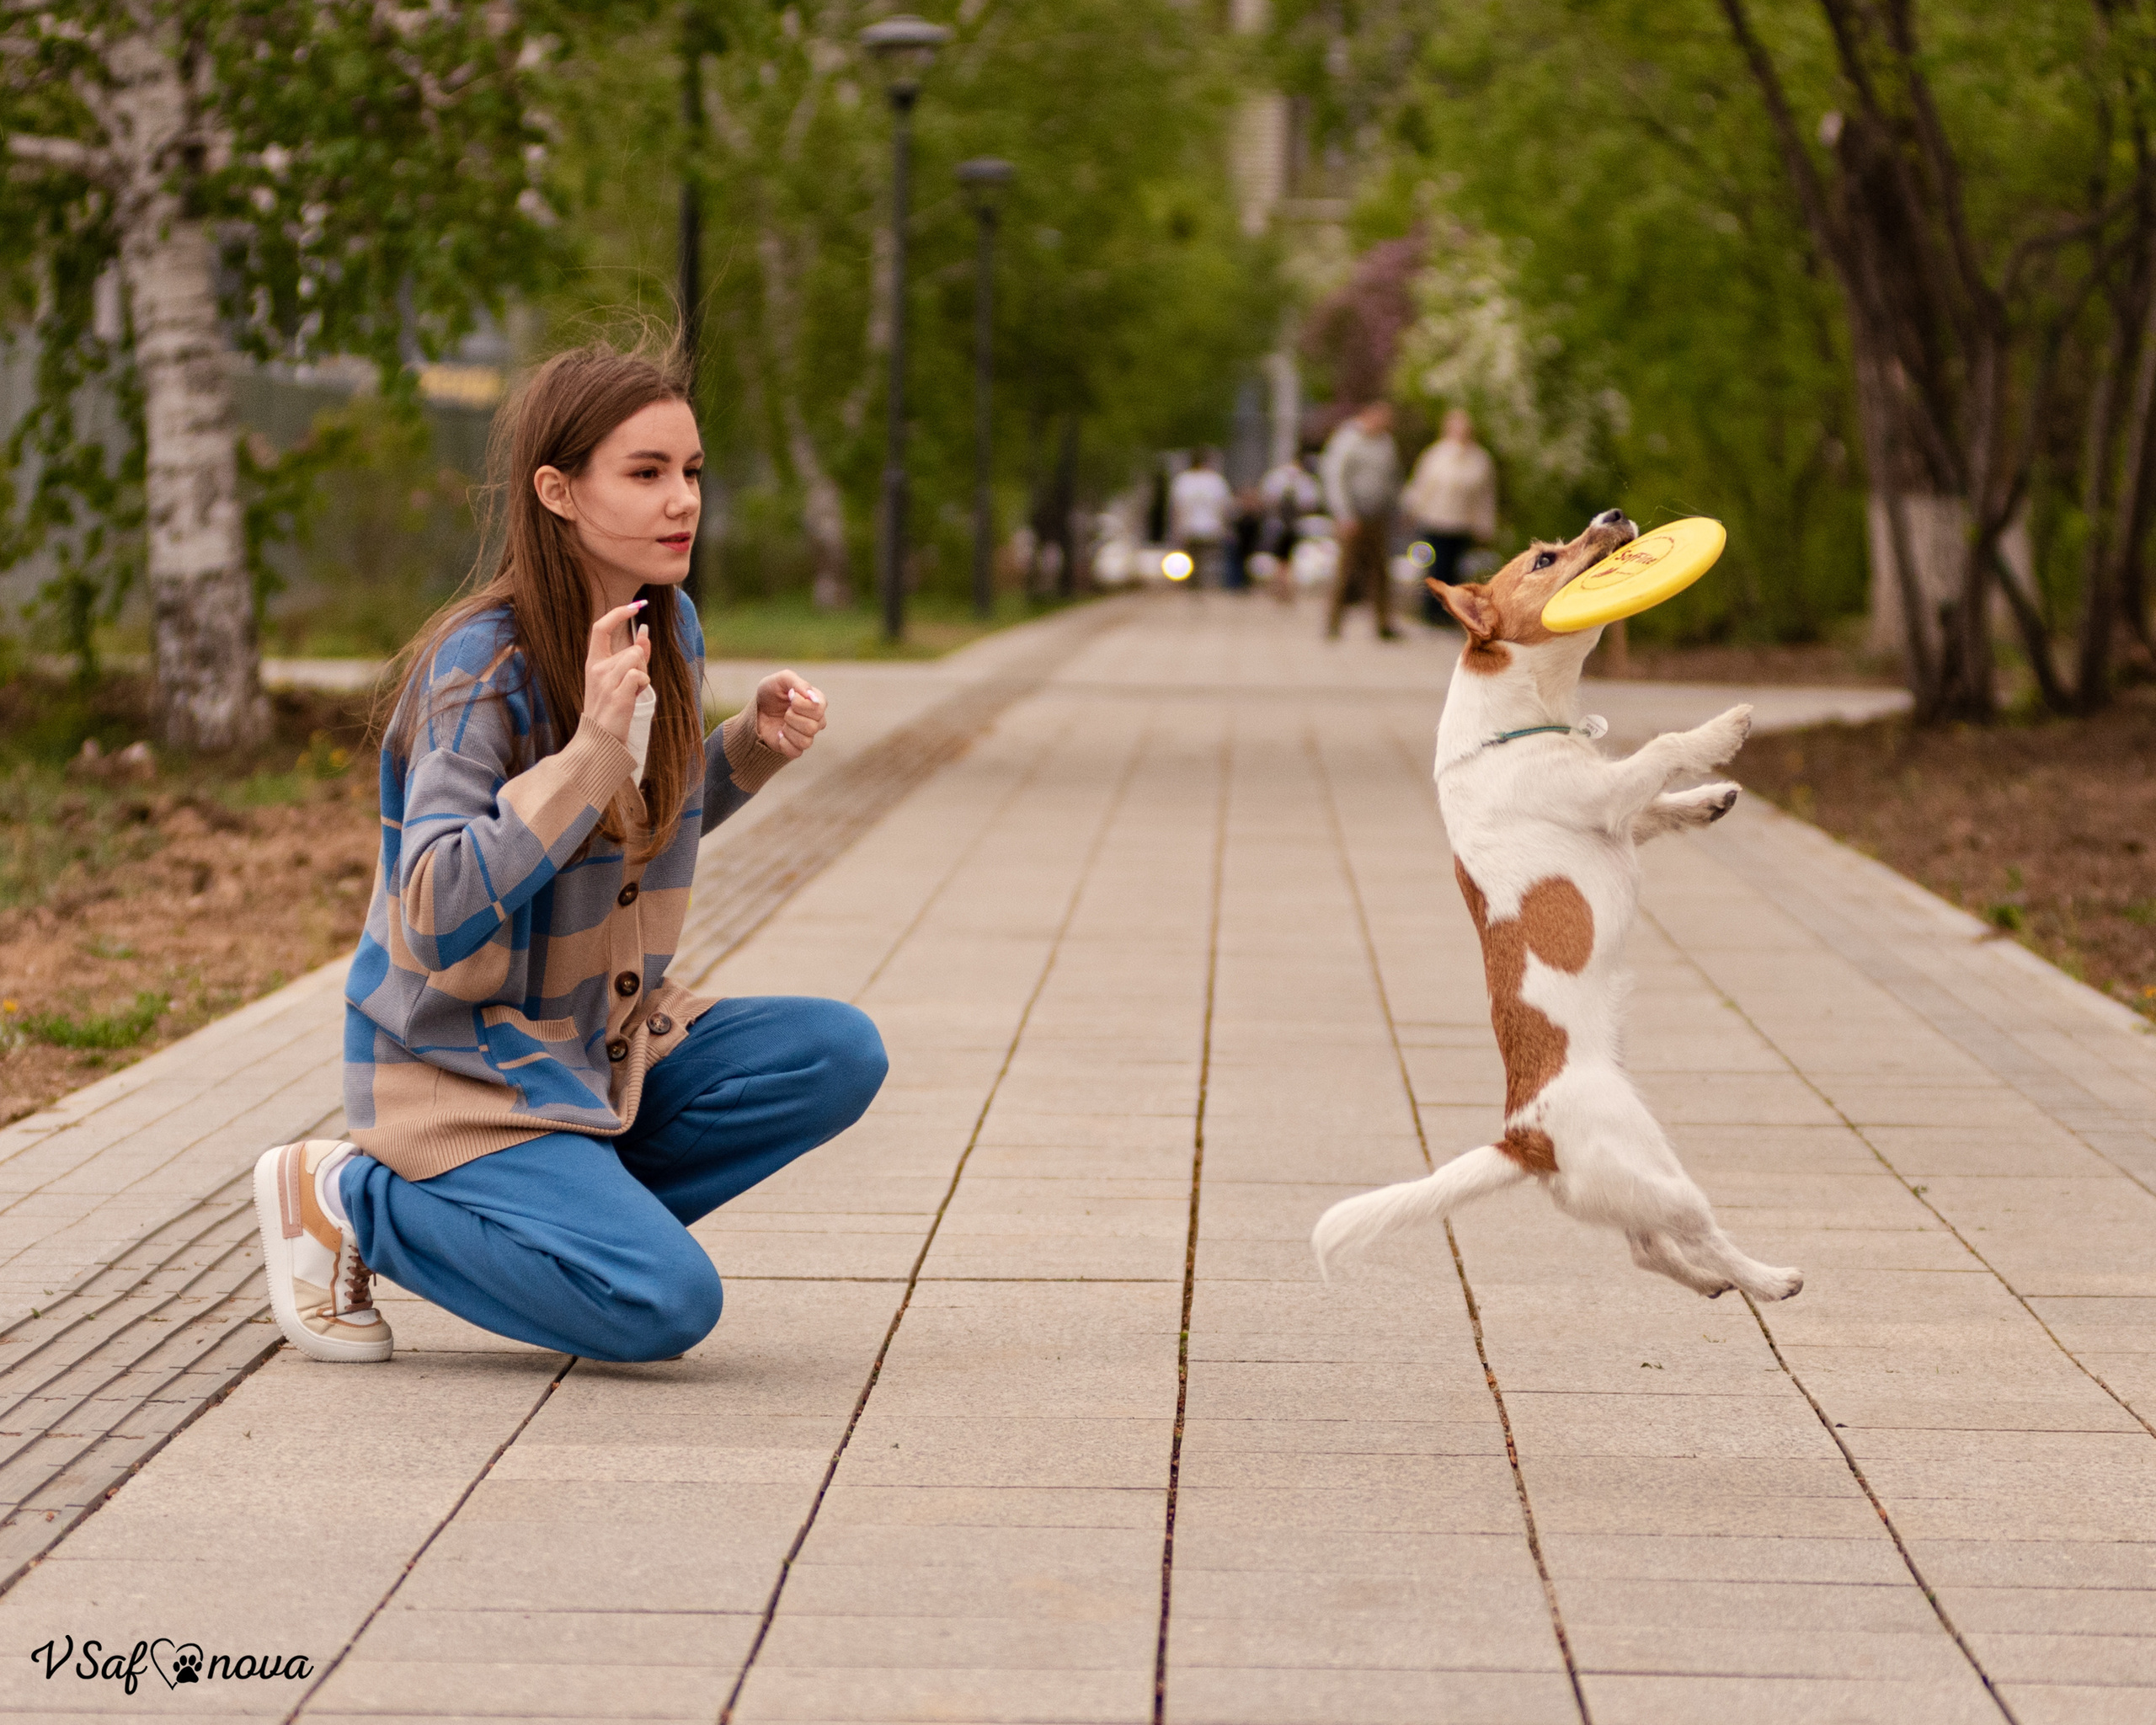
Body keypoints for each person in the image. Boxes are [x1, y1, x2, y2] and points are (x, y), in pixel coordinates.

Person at [252, 341, 888, 1366]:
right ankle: (352, 1196)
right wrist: (591, 747)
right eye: (644, 473)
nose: (681, 500)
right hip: (466, 1069)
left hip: (592, 1045)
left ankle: (567, 1211)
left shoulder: (663, 622)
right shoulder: (481, 666)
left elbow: (627, 828)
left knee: (836, 1050)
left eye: (690, 471)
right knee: (661, 1303)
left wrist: (746, 751)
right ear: (556, 489)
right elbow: (436, 905)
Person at [1402, 408, 1498, 626]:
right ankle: (1430, 610)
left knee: (1455, 568)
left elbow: (1485, 496)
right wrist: (1412, 509)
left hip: (1463, 521)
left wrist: (1485, 525)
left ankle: (1449, 612)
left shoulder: (1480, 460)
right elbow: (1421, 485)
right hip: (1435, 519)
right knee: (1435, 567)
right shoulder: (1435, 455)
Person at [1320, 401, 1403, 639]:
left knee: (1380, 572)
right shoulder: (1347, 440)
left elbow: (1392, 477)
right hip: (1353, 515)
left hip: (1378, 515)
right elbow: (1335, 479)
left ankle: (1384, 623)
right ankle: (1333, 624)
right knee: (1345, 571)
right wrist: (1344, 514)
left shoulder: (1386, 443)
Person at [1257, 450, 1321, 603]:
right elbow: (1310, 502)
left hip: (1278, 523)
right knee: (1287, 559)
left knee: (1280, 558)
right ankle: (1283, 588)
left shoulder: (1277, 476)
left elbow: (1266, 497)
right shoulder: (1304, 480)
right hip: (1291, 524)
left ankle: (1280, 587)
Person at [1168, 449, 1234, 588]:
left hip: (1189, 527)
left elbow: (1178, 508)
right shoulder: (1215, 480)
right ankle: (1206, 585)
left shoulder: (1183, 480)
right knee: (1208, 560)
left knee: (1191, 558)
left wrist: (1176, 529)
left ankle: (1192, 585)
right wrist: (1225, 526)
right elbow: (1224, 507)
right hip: (1211, 527)